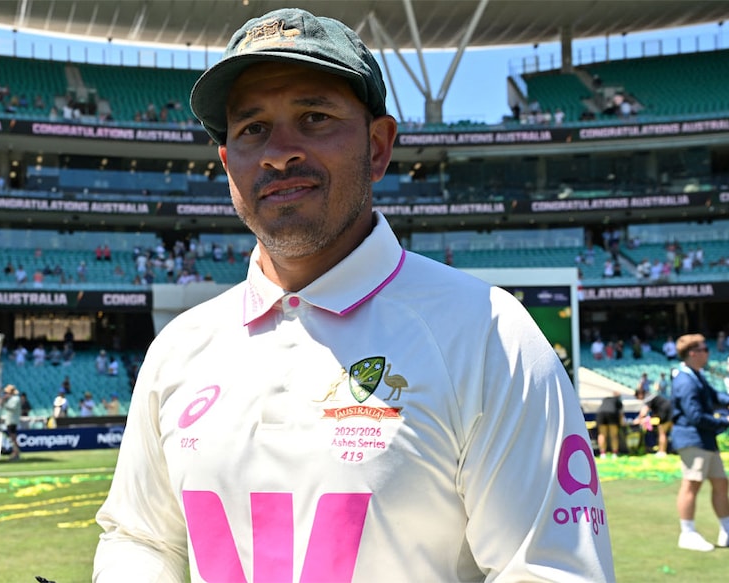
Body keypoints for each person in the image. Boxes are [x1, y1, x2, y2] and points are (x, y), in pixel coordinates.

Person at [92, 9, 614, 581]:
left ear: (378, 146)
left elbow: (550, 571)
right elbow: (140, 537)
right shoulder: (178, 349)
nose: (278, 152)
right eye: (251, 129)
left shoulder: (487, 332)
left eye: (314, 117)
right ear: (227, 164)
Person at [669, 333, 729, 552]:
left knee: (721, 483)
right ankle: (687, 533)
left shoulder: (695, 375)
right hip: (693, 438)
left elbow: (714, 395)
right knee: (691, 484)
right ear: (693, 353)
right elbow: (695, 416)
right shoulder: (685, 380)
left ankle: (728, 531)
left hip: (705, 439)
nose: (708, 353)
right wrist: (726, 421)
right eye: (704, 349)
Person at [634, 388, 674, 457]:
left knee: (662, 432)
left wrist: (638, 419)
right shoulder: (653, 397)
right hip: (671, 410)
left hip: (664, 412)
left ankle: (662, 452)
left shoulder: (648, 398)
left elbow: (644, 412)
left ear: (640, 394)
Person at [596, 391, 624, 458]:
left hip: (601, 413)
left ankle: (602, 454)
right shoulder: (618, 400)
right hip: (612, 413)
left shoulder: (605, 399)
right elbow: (621, 413)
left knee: (602, 434)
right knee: (614, 435)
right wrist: (621, 422)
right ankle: (615, 453)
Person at [0, 384, 23, 461]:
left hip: (13, 420)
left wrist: (4, 401)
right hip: (10, 420)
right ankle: (15, 452)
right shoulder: (11, 399)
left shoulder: (15, 399)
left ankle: (16, 453)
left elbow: (11, 408)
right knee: (12, 438)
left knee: (13, 438)